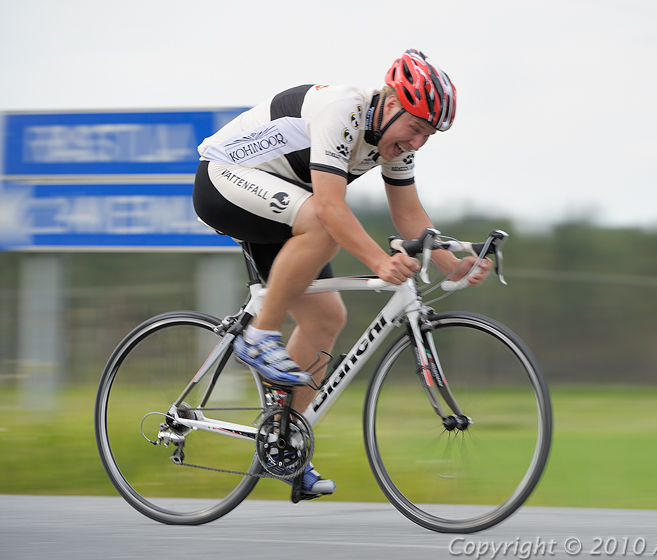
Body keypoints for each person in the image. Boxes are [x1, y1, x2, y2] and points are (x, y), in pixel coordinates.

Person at [192, 49, 490, 498]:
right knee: (323, 224)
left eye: (428, 135)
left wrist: (453, 262)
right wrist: (378, 262)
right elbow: (330, 207)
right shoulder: (343, 109)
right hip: (226, 179)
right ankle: (259, 335)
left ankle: (284, 444)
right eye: (415, 128)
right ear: (391, 103)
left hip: (287, 201)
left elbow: (408, 212)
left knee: (326, 318)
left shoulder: (395, 138)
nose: (417, 143)